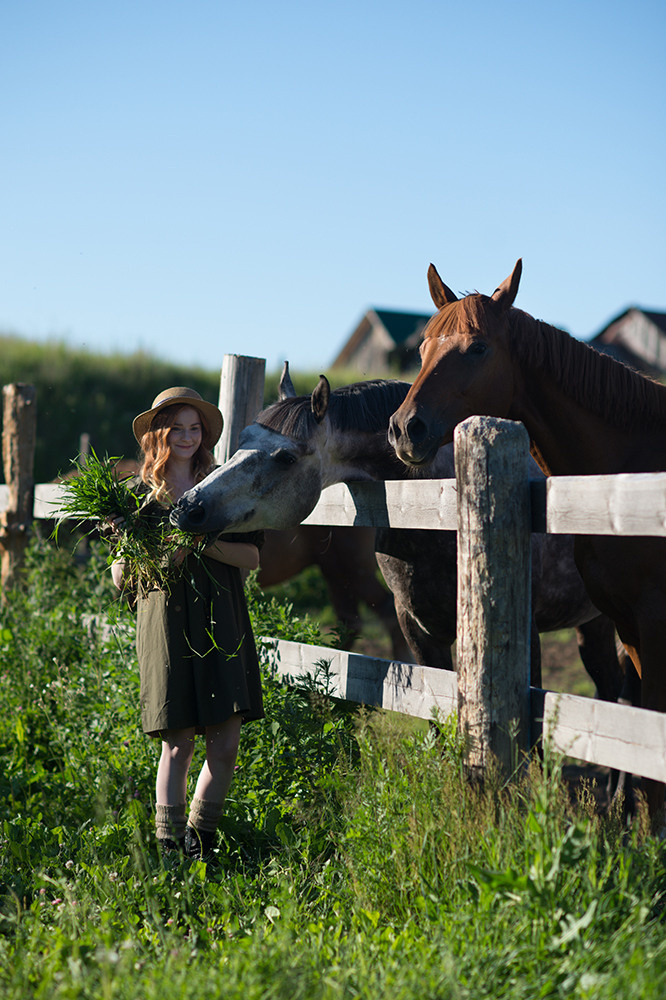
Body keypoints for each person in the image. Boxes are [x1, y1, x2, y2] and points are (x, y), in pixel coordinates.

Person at [110, 386, 264, 862]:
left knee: (226, 742)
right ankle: (169, 849)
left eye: (194, 428)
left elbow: (253, 558)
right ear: (159, 433)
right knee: (177, 744)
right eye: (177, 428)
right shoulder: (137, 496)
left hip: (221, 616)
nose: (187, 436)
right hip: (165, 623)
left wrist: (196, 544)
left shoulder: (222, 486)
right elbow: (119, 578)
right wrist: (136, 548)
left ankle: (199, 842)